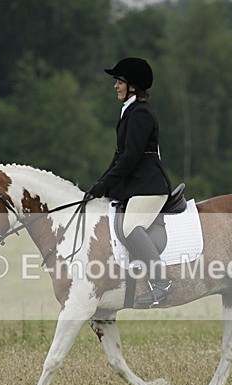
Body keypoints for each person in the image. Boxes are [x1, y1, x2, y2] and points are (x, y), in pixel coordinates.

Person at [88, 57, 173, 307]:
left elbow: (131, 157)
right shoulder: (130, 112)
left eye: (120, 81)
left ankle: (161, 285)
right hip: (137, 186)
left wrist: (105, 184)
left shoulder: (141, 114)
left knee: (130, 228)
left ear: (133, 86)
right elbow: (119, 157)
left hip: (150, 187)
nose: (115, 85)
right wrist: (102, 183)